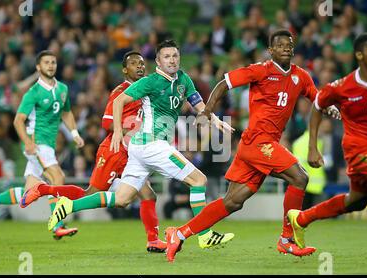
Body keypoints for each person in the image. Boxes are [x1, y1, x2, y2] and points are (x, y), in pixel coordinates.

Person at [164, 29, 341, 262]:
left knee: (233, 202)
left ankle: (179, 233)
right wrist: (207, 110)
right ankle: (286, 239)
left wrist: (329, 106)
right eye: (280, 45)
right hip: (258, 142)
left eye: (289, 45)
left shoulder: (301, 76)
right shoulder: (260, 70)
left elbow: (316, 99)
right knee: (300, 177)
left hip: (259, 147)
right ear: (271, 50)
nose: (286, 48)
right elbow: (223, 83)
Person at [47, 40, 235, 249]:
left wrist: (215, 120)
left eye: (174, 56)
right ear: (158, 61)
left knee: (121, 198)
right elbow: (119, 102)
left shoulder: (183, 78)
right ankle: (205, 234)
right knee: (199, 180)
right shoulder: (151, 82)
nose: (171, 60)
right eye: (166, 57)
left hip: (139, 149)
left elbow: (198, 103)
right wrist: (118, 130)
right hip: (152, 145)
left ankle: (68, 206)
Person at [22, 51, 169, 252]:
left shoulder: (146, 92)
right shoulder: (121, 92)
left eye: (142, 63)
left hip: (133, 154)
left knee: (148, 195)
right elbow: (107, 122)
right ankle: (43, 189)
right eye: (134, 64)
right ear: (125, 70)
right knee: (88, 196)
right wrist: (131, 133)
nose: (140, 66)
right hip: (113, 152)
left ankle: (153, 241)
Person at [287, 32, 367, 249]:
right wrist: (313, 147)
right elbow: (318, 106)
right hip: (357, 151)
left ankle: (301, 219)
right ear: (359, 54)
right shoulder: (341, 87)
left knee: (356, 202)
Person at [0, 50, 85, 240]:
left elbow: (66, 113)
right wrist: (27, 143)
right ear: (38, 67)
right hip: (37, 142)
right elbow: (18, 121)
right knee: (58, 176)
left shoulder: (63, 89)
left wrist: (74, 133)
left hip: (47, 144)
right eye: (46, 62)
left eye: (53, 62)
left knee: (28, 194)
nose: (50, 65)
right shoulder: (33, 93)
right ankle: (56, 224)